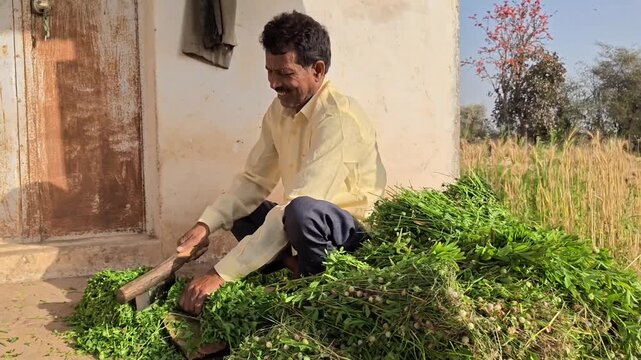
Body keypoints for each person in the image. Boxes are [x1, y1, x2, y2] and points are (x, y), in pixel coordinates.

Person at [177, 11, 387, 315]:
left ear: (317, 69)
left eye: (285, 74)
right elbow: (253, 181)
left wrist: (220, 273)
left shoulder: (338, 119)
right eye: (269, 72)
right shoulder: (279, 111)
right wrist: (205, 225)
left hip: (351, 236)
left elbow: (298, 203)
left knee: (301, 212)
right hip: (305, 223)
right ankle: (296, 269)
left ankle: (321, 297)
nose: (274, 83)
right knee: (241, 211)